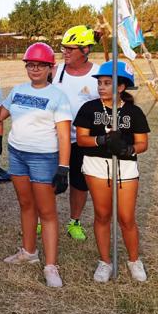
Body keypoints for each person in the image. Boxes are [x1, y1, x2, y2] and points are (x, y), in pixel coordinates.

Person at [0, 43, 71, 288]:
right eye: (30, 64)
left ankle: (51, 265)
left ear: (50, 67)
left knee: (47, 212)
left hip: (44, 158)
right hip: (17, 153)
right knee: (26, 204)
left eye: (40, 65)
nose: (35, 69)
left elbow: (63, 135)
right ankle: (29, 252)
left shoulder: (58, 96)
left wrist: (64, 167)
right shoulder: (18, 90)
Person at [74, 61, 149, 282]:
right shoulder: (89, 108)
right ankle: (104, 261)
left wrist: (128, 148)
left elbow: (143, 143)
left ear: (121, 87)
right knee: (102, 214)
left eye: (107, 83)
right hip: (96, 165)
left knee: (126, 218)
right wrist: (102, 139)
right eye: (99, 83)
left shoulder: (133, 112)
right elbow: (81, 139)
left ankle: (134, 260)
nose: (101, 87)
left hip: (125, 166)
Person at [52, 25, 99, 241]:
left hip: (82, 140)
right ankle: (45, 219)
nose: (65, 52)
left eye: (71, 49)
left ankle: (74, 222)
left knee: (79, 183)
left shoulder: (98, 74)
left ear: (86, 50)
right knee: (47, 180)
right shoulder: (56, 71)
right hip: (55, 138)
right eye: (64, 48)